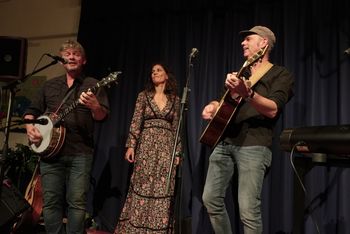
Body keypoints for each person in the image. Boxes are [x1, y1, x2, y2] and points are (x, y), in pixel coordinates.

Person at [201, 26, 295, 234]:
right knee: (210, 200)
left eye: (248, 39)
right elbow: (223, 103)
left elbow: (273, 109)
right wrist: (213, 107)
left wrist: (249, 93)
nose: (243, 43)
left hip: (254, 144)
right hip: (224, 142)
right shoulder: (240, 74)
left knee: (248, 211)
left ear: (263, 43)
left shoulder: (280, 74)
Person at [23, 40, 109, 234]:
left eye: (76, 54)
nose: (71, 57)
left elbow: (102, 117)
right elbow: (31, 111)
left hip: (80, 152)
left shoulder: (93, 84)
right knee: (51, 202)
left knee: (77, 203)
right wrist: (31, 128)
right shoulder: (50, 85)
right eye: (67, 54)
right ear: (62, 60)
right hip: (50, 153)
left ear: (84, 60)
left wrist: (95, 106)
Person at [114, 63, 182, 234]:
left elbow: (177, 128)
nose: (155, 73)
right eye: (152, 71)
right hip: (146, 146)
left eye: (158, 70)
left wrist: (177, 152)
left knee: (162, 187)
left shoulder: (175, 100)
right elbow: (136, 121)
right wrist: (131, 145)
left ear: (167, 75)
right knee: (142, 184)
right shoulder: (143, 96)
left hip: (166, 148)